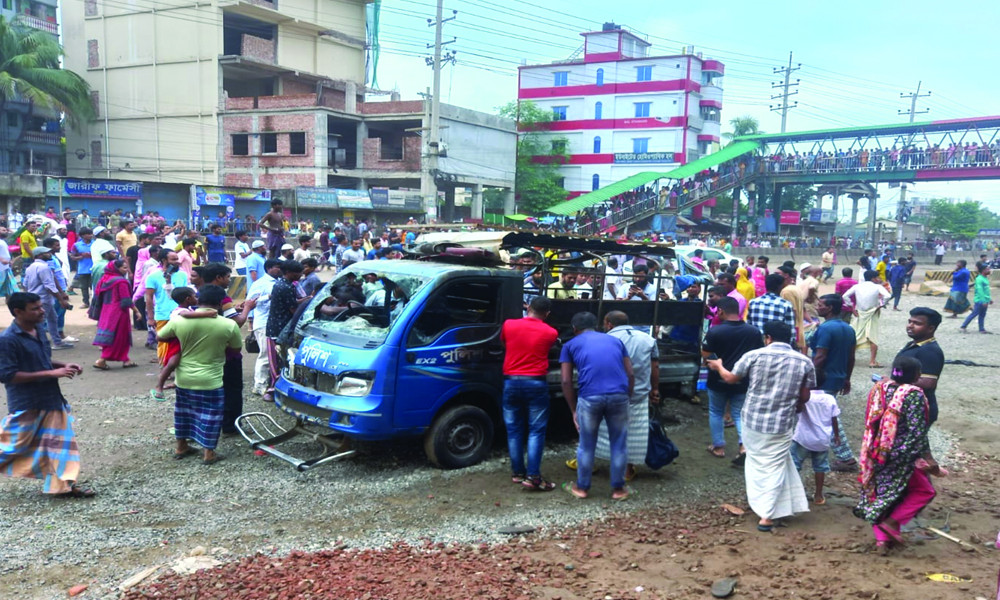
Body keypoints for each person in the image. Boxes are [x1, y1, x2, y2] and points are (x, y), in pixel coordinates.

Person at [706, 321, 814, 532]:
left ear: (768, 338)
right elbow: (805, 395)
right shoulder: (804, 362)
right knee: (775, 463)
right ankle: (775, 506)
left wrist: (718, 365)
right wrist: (797, 406)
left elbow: (730, 378)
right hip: (783, 422)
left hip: (753, 419)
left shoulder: (754, 356)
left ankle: (766, 513)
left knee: (757, 462)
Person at [0, 292, 92, 497]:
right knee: (11, 446)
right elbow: (7, 375)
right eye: (35, 308)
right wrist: (53, 372)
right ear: (18, 312)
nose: (42, 311)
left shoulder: (39, 329)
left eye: (41, 306)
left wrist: (64, 365)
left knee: (60, 443)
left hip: (51, 398)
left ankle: (63, 486)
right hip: (27, 402)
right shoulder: (7, 340)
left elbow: (42, 359)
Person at [855, 356, 944, 553]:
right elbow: (917, 431)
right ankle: (893, 523)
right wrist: (930, 460)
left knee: (881, 494)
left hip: (875, 450)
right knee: (924, 491)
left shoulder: (879, 389)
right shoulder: (914, 395)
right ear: (916, 376)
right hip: (902, 455)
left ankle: (882, 541)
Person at [157, 284, 243, 465]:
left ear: (199, 299)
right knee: (211, 415)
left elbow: (160, 336)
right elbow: (235, 349)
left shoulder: (180, 320)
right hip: (211, 379)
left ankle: (181, 446)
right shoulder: (229, 325)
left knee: (183, 412)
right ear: (220, 303)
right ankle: (208, 453)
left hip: (184, 377)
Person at [560, 312, 634, 501]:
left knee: (586, 444)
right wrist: (627, 397)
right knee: (618, 443)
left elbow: (566, 381)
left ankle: (582, 488)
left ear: (575, 329)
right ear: (597, 326)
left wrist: (573, 410)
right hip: (619, 395)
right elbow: (630, 374)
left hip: (590, 397)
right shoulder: (615, 341)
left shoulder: (569, 345)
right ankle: (618, 490)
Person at [588, 310, 659, 481]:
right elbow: (654, 367)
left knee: (599, 428)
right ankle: (627, 469)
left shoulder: (603, 340)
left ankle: (588, 463)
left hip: (608, 392)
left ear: (608, 323)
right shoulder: (648, 340)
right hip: (639, 393)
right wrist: (655, 389)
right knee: (634, 431)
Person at [501, 296, 559, 491]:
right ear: (547, 314)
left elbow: (504, 343)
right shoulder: (551, 332)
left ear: (528, 307)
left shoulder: (509, 325)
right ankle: (533, 476)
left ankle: (518, 472)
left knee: (514, 430)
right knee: (536, 430)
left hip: (510, 381)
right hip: (535, 383)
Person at [702, 296, 764, 462]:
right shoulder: (754, 332)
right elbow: (758, 356)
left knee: (716, 411)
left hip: (717, 379)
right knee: (739, 413)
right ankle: (743, 446)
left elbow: (706, 355)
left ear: (721, 311)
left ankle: (719, 446)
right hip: (743, 380)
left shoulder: (715, 331)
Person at [810, 294, 857, 471]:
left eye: (821, 305)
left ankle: (846, 457)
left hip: (823, 378)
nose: (817, 307)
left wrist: (808, 376)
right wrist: (847, 378)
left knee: (830, 417)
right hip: (838, 377)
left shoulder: (826, 329)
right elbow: (851, 357)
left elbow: (821, 356)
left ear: (829, 308)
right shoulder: (848, 329)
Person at [791, 368, 841, 506]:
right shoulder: (829, 399)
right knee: (820, 467)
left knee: (795, 464)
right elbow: (834, 418)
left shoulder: (805, 398)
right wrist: (836, 436)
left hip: (803, 438)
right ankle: (818, 494)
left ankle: (794, 493)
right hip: (822, 439)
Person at [151, 287, 202, 400]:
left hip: (184, 339)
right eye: (195, 296)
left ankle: (177, 381)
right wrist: (207, 314)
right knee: (173, 363)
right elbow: (186, 315)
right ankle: (159, 386)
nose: (196, 298)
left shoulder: (188, 309)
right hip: (177, 341)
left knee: (182, 363)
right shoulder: (180, 311)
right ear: (188, 299)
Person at [895, 307, 945, 424]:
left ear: (931, 328)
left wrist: (893, 382)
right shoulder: (913, 344)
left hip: (917, 410)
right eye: (910, 322)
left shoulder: (930, 351)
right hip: (906, 407)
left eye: (917, 323)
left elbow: (928, 382)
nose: (910, 326)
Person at [264, 260, 305, 398]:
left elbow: (291, 303)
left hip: (280, 327)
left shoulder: (285, 284)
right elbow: (293, 309)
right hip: (277, 329)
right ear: (288, 272)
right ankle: (272, 390)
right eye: (298, 272)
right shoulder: (285, 287)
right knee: (276, 362)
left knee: (283, 360)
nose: (300, 275)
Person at [92, 260, 142, 370]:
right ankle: (102, 360)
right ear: (116, 269)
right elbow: (126, 300)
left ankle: (126, 360)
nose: (126, 270)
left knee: (110, 335)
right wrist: (137, 311)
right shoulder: (121, 282)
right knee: (119, 336)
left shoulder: (104, 280)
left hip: (106, 311)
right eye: (124, 268)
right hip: (119, 313)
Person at [22, 246, 73, 350]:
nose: (49, 254)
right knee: (41, 322)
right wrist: (61, 299)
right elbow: (49, 286)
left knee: (52, 319)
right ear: (39, 255)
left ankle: (57, 342)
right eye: (46, 253)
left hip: (36, 298)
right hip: (44, 298)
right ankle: (40, 344)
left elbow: (25, 284)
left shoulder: (31, 267)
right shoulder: (43, 267)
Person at [145, 248, 190, 365]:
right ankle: (165, 368)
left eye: (177, 259)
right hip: (162, 314)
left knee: (180, 343)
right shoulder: (153, 276)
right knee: (164, 343)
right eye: (173, 259)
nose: (177, 261)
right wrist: (150, 317)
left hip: (181, 314)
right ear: (164, 260)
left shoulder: (182, 275)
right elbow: (148, 297)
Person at [247, 259, 282, 399]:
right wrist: (268, 297)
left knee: (273, 355)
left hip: (274, 323)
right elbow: (250, 302)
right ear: (269, 268)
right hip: (263, 323)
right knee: (265, 354)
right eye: (277, 267)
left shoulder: (280, 282)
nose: (279, 270)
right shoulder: (260, 284)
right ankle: (259, 386)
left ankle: (269, 382)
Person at [843, 271, 891, 368]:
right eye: (877, 277)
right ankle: (872, 361)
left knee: (855, 334)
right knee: (872, 335)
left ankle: (847, 358)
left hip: (859, 313)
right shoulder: (878, 287)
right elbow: (888, 296)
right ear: (873, 278)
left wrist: (851, 307)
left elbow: (845, 296)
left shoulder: (857, 286)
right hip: (872, 313)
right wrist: (881, 305)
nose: (878, 279)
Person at [960, 262, 992, 333]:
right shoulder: (979, 279)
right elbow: (980, 291)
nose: (989, 270)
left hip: (985, 300)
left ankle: (981, 329)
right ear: (983, 270)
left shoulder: (985, 278)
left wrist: (989, 299)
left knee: (982, 315)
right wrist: (983, 301)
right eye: (987, 269)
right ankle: (963, 326)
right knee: (974, 313)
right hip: (980, 300)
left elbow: (986, 291)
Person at [0, 225, 17, 298]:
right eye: (3, 230)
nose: (6, 232)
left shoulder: (3, 241)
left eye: (6, 230)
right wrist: (2, 260)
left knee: (11, 290)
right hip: (1, 268)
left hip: (6, 268)